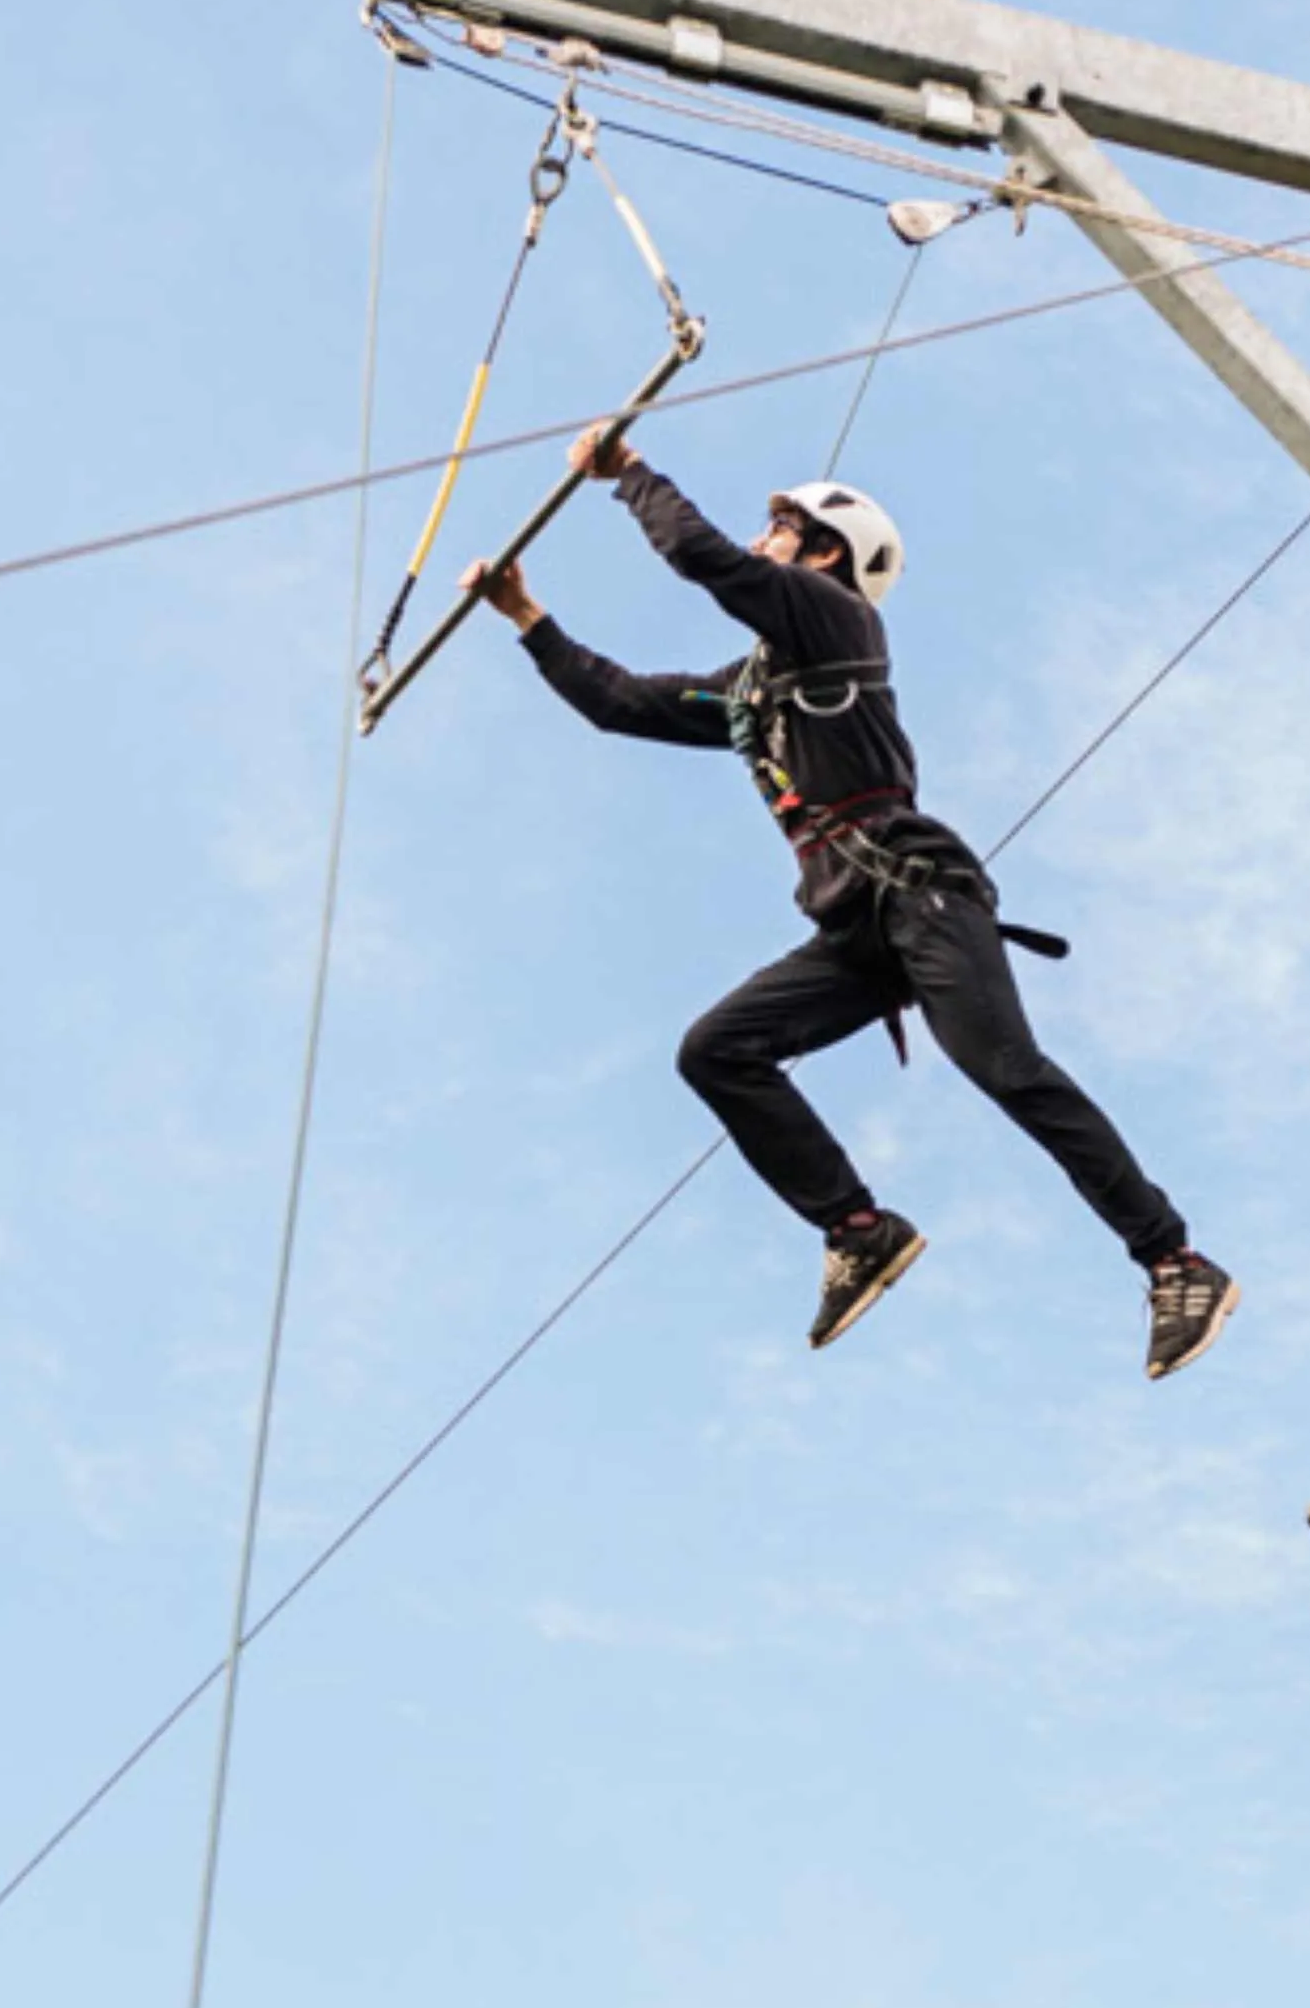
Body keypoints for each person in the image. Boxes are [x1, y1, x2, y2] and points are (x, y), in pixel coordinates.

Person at [477, 427, 1241, 1373]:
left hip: (922, 898)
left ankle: (1177, 1259)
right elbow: (622, 703)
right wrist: (527, 618)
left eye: (780, 528)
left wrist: (629, 476)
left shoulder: (838, 622)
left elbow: (700, 557)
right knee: (716, 1052)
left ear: (824, 553)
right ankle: (860, 1229)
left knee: (1008, 1070)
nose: (764, 542)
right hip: (855, 925)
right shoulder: (756, 688)